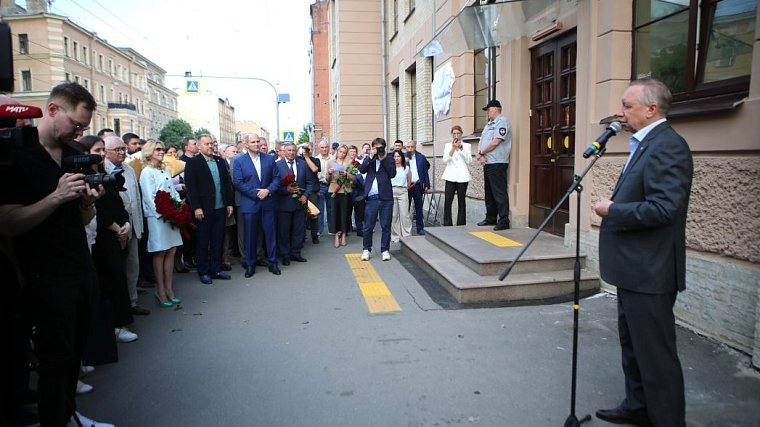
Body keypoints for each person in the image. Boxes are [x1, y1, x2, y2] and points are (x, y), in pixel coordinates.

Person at [0, 82, 114, 426]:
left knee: (74, 357)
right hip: (43, 276)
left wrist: (87, 204)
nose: (78, 132)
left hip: (79, 267)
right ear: (52, 110)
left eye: (83, 128)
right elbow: (6, 224)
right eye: (76, 124)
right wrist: (56, 196)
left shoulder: (72, 152)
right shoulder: (16, 154)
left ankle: (69, 415)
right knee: (55, 361)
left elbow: (80, 218)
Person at [593, 79, 693, 427]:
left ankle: (667, 419)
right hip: (633, 270)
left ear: (652, 109)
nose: (620, 113)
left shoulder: (668, 146)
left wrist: (613, 210)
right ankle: (638, 406)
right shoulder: (645, 143)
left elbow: (663, 209)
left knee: (656, 356)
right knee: (633, 346)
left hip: (651, 272)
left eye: (627, 105)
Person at [79, 135, 137, 344]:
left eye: (103, 150)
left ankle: (121, 322)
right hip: (103, 237)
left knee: (118, 278)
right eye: (97, 150)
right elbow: (99, 210)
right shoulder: (84, 177)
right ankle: (114, 326)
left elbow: (119, 204)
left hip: (118, 233)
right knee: (109, 281)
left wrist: (126, 225)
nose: (102, 154)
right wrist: (116, 228)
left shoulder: (105, 174)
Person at [104, 136, 150, 316]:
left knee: (133, 266)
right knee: (116, 270)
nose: (122, 152)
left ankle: (132, 302)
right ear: (106, 152)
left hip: (132, 225)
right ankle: (119, 309)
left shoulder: (129, 170)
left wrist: (138, 225)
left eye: (123, 149)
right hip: (115, 228)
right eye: (117, 150)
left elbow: (136, 199)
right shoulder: (103, 170)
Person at [184, 134, 234, 285]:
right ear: (199, 146)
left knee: (218, 239)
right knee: (203, 241)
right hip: (204, 210)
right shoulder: (194, 163)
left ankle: (216, 269)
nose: (210, 146)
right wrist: (196, 207)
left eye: (212, 143)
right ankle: (204, 271)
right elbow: (191, 187)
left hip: (220, 208)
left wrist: (229, 203)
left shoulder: (220, 161)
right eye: (207, 144)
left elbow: (226, 184)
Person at [140, 140, 183, 307]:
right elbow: (149, 197)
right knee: (160, 252)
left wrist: (179, 207)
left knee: (172, 250)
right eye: (157, 149)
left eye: (162, 149)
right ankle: (161, 289)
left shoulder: (164, 169)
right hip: (157, 217)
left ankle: (170, 288)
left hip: (171, 215)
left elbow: (172, 192)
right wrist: (163, 214)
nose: (161, 151)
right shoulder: (146, 172)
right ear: (149, 152)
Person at [232, 133, 282, 277]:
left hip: (268, 202)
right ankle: (250, 264)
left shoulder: (269, 159)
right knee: (250, 236)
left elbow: (277, 178)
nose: (257, 144)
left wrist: (268, 190)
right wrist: (256, 193)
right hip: (250, 203)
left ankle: (273, 263)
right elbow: (238, 182)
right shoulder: (239, 161)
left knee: (270, 234)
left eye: (258, 141)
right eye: (253, 142)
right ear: (246, 144)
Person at [476, 99, 512, 231]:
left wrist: (481, 152)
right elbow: (482, 140)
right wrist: (480, 154)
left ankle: (503, 220)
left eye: (489, 110)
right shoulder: (488, 125)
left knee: (499, 192)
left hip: (498, 162)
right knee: (489, 193)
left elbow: (496, 141)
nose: (487, 113)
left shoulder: (502, 122)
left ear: (496, 109)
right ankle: (490, 218)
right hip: (488, 162)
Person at [274, 142, 312, 264]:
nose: (291, 152)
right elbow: (274, 185)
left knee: (299, 230)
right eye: (289, 150)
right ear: (283, 151)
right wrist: (286, 190)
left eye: (293, 150)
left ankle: (296, 253)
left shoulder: (303, 164)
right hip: (283, 205)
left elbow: (310, 183)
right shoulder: (277, 165)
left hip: (300, 204)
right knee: (283, 231)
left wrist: (305, 196)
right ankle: (285, 254)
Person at [360, 137, 396, 261]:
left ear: (384, 148)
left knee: (386, 225)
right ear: (373, 147)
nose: (379, 149)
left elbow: (392, 173)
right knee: (368, 226)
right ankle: (366, 249)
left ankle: (385, 250)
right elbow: (362, 169)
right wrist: (371, 156)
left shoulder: (389, 159)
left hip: (386, 198)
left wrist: (383, 159)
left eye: (381, 147)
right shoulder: (369, 159)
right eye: (376, 147)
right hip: (372, 198)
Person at [442, 125, 472, 226]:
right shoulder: (447, 145)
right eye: (454, 133)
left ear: (461, 134)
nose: (456, 135)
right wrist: (453, 149)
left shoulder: (466, 146)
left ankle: (461, 224)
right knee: (448, 201)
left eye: (458, 133)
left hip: (462, 177)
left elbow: (469, 161)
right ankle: (447, 224)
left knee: (461, 201)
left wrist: (461, 149)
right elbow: (445, 160)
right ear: (452, 134)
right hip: (450, 177)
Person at [326, 144, 356, 248]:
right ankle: (335, 236)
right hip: (334, 189)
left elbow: (354, 178)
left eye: (344, 152)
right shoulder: (330, 162)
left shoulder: (349, 163)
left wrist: (347, 174)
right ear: (337, 152)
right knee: (334, 214)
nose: (341, 154)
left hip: (345, 190)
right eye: (340, 152)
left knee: (344, 214)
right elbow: (327, 180)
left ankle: (343, 235)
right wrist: (329, 173)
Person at [405, 140, 431, 235]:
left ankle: (420, 228)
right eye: (408, 147)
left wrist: (427, 184)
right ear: (406, 148)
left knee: (419, 207)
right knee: (405, 208)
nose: (410, 149)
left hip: (417, 185)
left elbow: (425, 172)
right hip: (406, 186)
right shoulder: (402, 157)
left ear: (415, 147)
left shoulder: (421, 157)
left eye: (412, 147)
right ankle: (405, 229)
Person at [390, 150, 412, 242]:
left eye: (398, 156)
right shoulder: (390, 168)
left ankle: (407, 234)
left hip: (403, 191)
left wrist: (405, 189)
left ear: (402, 157)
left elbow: (409, 180)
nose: (396, 158)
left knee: (404, 214)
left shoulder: (406, 168)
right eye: (394, 156)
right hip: (392, 191)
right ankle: (395, 235)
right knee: (394, 215)